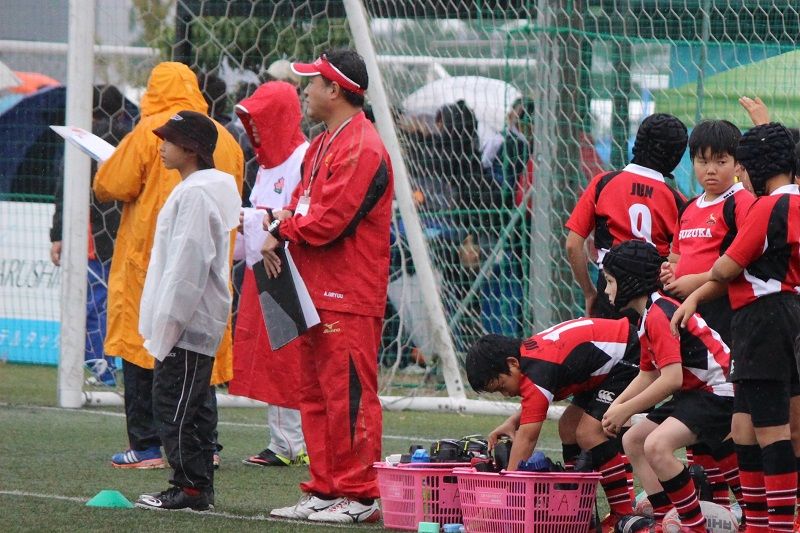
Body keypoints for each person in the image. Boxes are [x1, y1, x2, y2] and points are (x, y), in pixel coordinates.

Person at [260, 49, 392, 524]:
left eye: (312, 82)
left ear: (335, 90)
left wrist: (281, 229)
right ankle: (324, 488)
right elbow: (302, 204)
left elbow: (328, 221)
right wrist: (282, 220)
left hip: (348, 294)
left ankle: (359, 497)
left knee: (349, 398)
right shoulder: (321, 144)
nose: (305, 91)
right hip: (313, 289)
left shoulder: (363, 146)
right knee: (315, 396)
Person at [93, 62, 243, 469]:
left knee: (142, 347)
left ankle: (145, 446)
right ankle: (206, 445)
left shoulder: (150, 131)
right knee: (199, 355)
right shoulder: (224, 137)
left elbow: (111, 184)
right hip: (211, 266)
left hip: (150, 263)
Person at [672, 123, 800, 532]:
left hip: (764, 320)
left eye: (742, 167)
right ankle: (758, 522)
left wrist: (693, 285)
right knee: (742, 428)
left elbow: (726, 267)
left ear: (758, 167)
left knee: (772, 430)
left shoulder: (767, 207)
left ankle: (777, 526)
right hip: (780, 318)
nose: (740, 175)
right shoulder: (794, 202)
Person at [134, 110, 240, 512]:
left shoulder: (196, 194)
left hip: (188, 320)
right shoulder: (198, 189)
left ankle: (189, 487)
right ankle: (197, 488)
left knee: (173, 405)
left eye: (170, 140)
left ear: (191, 149)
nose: (162, 147)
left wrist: (169, 322)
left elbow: (187, 265)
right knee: (189, 405)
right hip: (193, 320)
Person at [598, 240, 736, 532]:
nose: (607, 290)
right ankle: (662, 519)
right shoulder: (649, 315)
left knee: (656, 446)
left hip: (719, 392)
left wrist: (626, 410)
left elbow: (671, 379)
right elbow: (648, 374)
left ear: (629, 281)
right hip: (696, 393)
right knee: (633, 440)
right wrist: (617, 405)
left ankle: (693, 526)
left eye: (610, 281)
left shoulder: (660, 314)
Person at [465, 317, 640, 530]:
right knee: (568, 427)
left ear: (512, 363)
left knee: (589, 433)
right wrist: (513, 421)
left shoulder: (537, 371)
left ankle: (622, 513)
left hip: (629, 354)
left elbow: (527, 438)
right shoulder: (530, 360)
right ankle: (577, 510)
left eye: (502, 385)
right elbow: (537, 397)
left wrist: (505, 492)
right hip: (603, 367)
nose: (506, 394)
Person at [228, 80, 310, 468]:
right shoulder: (266, 165)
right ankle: (286, 441)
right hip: (264, 269)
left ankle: (290, 444)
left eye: (259, 121)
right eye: (250, 123)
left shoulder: (303, 158)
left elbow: (296, 214)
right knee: (273, 358)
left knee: (287, 358)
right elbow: (266, 215)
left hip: (288, 270)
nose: (253, 131)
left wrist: (250, 219)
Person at [565, 113, 688, 319]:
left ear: (638, 143)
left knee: (610, 340)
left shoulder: (603, 183)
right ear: (675, 157)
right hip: (654, 293)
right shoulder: (677, 201)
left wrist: (589, 293)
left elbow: (572, 245)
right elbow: (684, 258)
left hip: (610, 288)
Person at [50, 84, 131, 386]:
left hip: (91, 231)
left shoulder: (83, 138)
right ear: (121, 111)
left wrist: (57, 234)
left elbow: (64, 187)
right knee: (115, 298)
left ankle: (99, 363)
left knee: (95, 298)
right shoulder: (130, 137)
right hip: (124, 229)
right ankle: (111, 362)